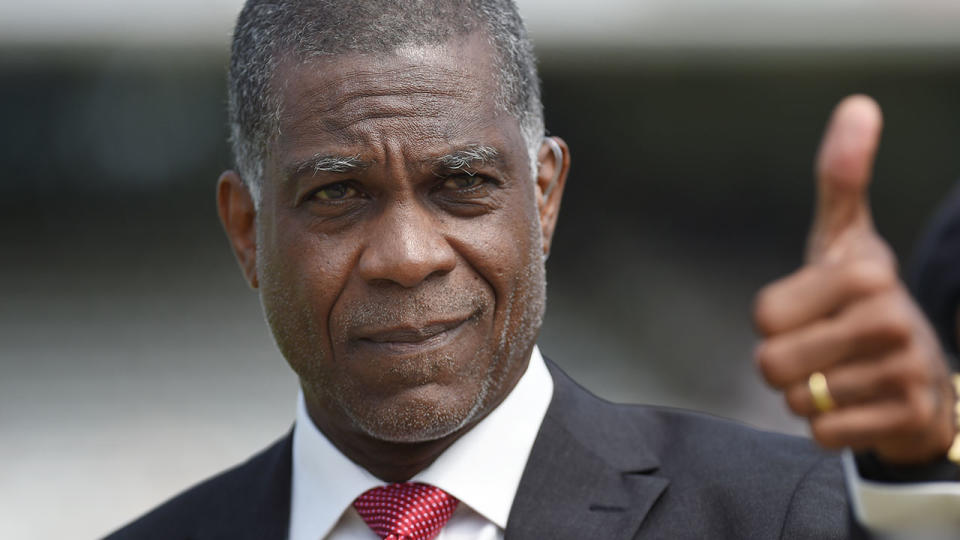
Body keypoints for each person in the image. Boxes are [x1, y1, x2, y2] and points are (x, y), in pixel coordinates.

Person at [108, 1, 960, 538]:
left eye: (464, 184)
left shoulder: (783, 515)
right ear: (248, 230)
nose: (408, 257)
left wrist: (920, 474)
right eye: (338, 194)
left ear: (544, 197)